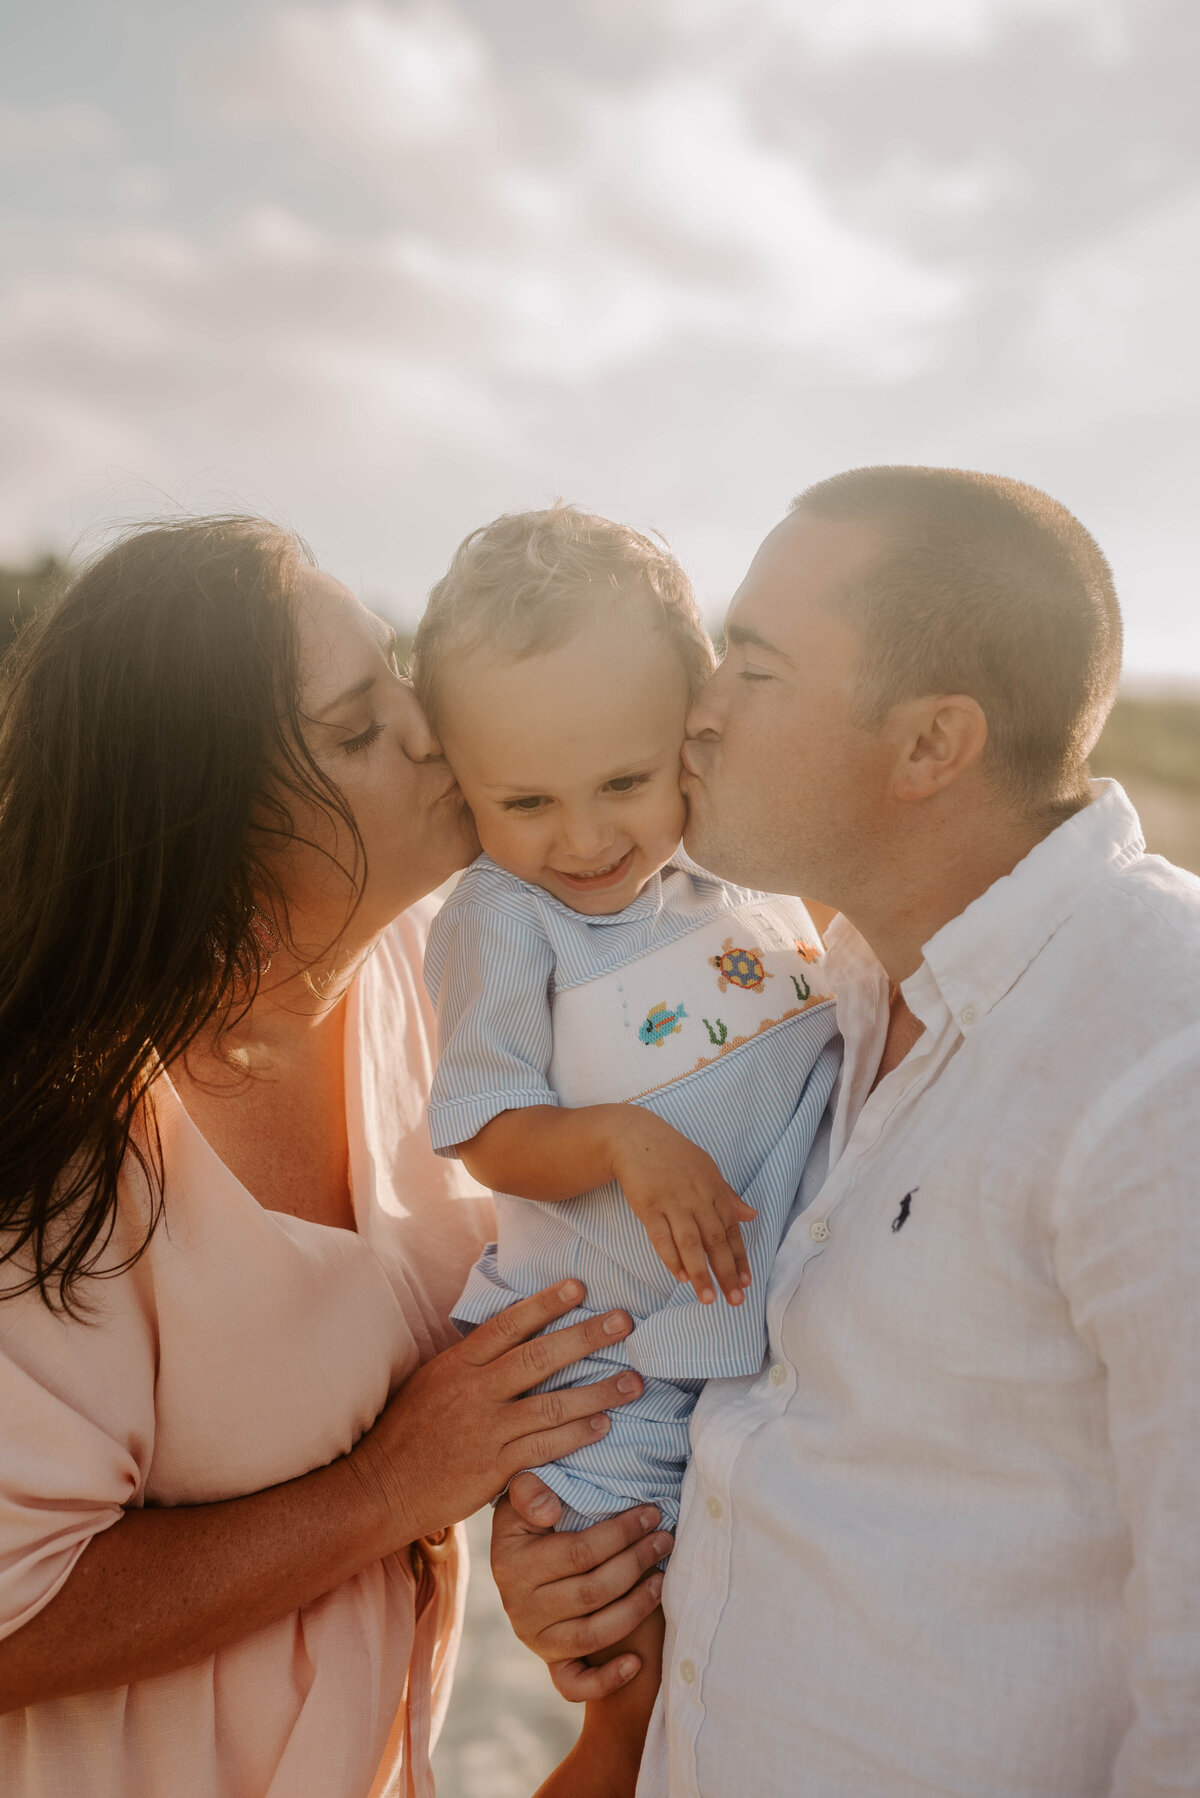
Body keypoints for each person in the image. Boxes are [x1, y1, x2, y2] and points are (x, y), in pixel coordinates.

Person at [493, 465, 1200, 1797]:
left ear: (931, 745)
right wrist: (595, 1562)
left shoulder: (1162, 1059)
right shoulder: (833, 987)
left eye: (750, 669)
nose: (693, 711)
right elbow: (809, 1434)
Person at [0, 516, 647, 1798]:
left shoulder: (448, 973)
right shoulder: (60, 1134)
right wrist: (389, 1490)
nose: (424, 727)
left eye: (396, 671)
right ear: (217, 834)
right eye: (355, 729)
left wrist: (530, 1512)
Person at [410, 506, 838, 1769]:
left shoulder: (742, 868)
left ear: (690, 730)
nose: (585, 839)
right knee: (632, 1639)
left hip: (770, 1329)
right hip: (620, 1352)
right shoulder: (505, 917)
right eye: (524, 799)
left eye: (624, 784)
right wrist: (615, 1140)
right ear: (461, 779)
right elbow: (485, 1127)